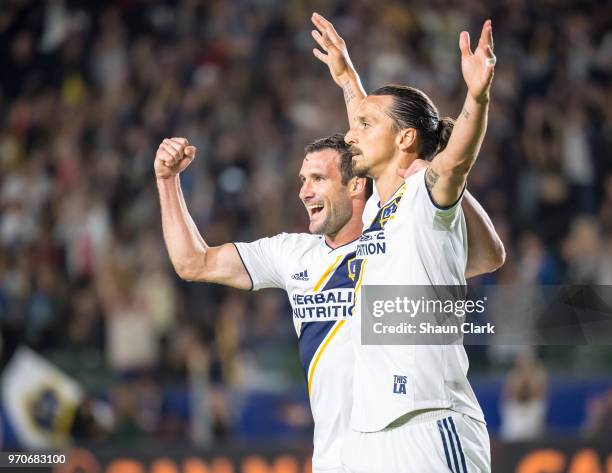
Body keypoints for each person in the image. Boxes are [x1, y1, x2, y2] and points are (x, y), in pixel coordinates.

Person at [155, 130, 501, 471]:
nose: (304, 192)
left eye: (318, 179)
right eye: (303, 180)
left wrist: (451, 185)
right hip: (333, 458)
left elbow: (487, 258)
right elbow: (193, 263)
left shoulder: (400, 244)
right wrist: (167, 181)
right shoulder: (290, 254)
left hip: (406, 445)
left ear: (355, 185)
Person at [312, 13, 498, 473]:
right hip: (376, 435)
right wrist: (347, 77)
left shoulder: (423, 193)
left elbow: (455, 164)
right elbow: (492, 255)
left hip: (431, 423)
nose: (351, 134)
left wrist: (478, 94)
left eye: (366, 125)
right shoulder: (378, 205)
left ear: (406, 138)